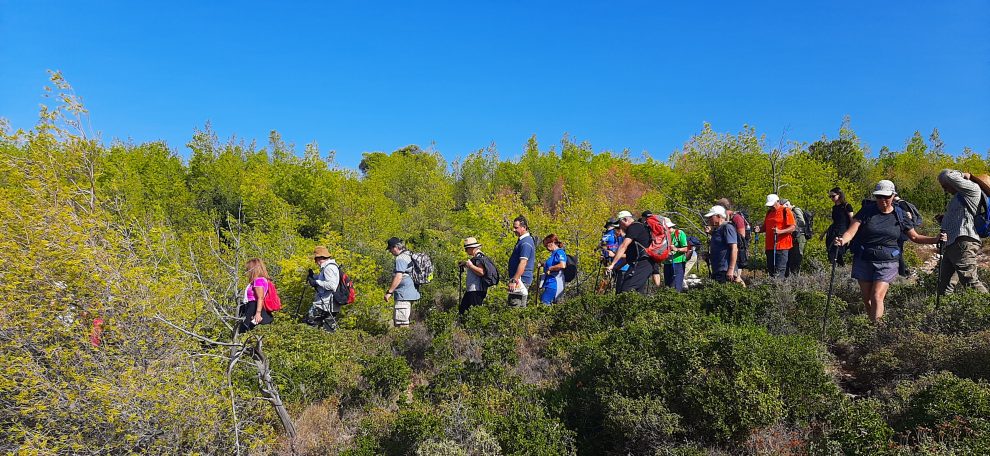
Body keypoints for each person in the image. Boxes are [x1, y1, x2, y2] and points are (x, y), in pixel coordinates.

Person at [834, 180, 943, 323]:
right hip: (864, 258)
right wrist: (843, 240)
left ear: (893, 196)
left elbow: (915, 237)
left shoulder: (900, 214)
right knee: (867, 299)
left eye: (886, 196)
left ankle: (877, 330)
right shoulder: (866, 211)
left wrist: (936, 239)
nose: (883, 200)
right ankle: (872, 323)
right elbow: (851, 231)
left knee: (877, 296)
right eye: (879, 196)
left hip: (888, 260)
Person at [936, 169, 989, 294]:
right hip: (953, 243)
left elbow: (948, 175)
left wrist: (966, 175)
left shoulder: (972, 189)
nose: (945, 189)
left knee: (969, 280)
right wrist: (945, 220)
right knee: (944, 284)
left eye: (944, 186)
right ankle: (943, 312)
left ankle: (986, 308)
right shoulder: (961, 196)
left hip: (962, 242)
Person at [606, 210, 655, 294]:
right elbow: (630, 256)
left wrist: (612, 264)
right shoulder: (636, 229)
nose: (620, 226)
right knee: (637, 293)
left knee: (626, 290)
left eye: (620, 223)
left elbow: (623, 246)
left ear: (625, 220)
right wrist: (617, 267)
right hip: (642, 264)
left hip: (642, 263)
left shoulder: (634, 227)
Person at [753, 194, 796, 279]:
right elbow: (765, 227)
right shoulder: (769, 212)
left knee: (779, 271)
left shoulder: (785, 211)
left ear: (777, 201)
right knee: (771, 270)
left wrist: (780, 231)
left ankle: (779, 290)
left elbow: (793, 227)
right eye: (769, 205)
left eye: (772, 205)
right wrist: (759, 229)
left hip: (782, 246)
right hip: (770, 246)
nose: (771, 207)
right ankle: (772, 289)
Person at [385, 237, 420, 327]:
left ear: (395, 247)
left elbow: (398, 276)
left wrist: (389, 292)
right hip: (412, 293)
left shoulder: (400, 259)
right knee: (405, 321)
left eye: (390, 249)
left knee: (402, 324)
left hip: (403, 295)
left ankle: (402, 341)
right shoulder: (409, 254)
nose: (390, 251)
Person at [306, 246, 341, 331]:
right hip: (329, 304)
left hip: (325, 304)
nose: (315, 262)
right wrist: (314, 276)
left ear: (320, 258)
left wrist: (316, 282)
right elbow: (326, 280)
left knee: (310, 322)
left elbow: (332, 285)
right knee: (328, 329)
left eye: (316, 259)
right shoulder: (329, 267)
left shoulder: (329, 268)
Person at [717, 198, 748, 283]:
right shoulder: (727, 218)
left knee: (736, 277)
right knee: (734, 278)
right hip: (729, 253)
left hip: (736, 253)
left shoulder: (737, 218)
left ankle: (744, 294)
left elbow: (742, 237)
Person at [507, 215, 536, 306]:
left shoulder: (526, 243)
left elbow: (523, 262)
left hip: (521, 280)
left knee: (515, 306)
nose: (514, 230)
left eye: (516, 228)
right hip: (520, 279)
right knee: (519, 307)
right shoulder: (524, 241)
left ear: (524, 227)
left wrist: (514, 280)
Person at [240, 257, 275, 332]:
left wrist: (258, 313)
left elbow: (260, 297)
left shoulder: (258, 280)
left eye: (248, 269)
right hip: (252, 306)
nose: (247, 271)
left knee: (244, 331)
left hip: (253, 307)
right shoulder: (261, 280)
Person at [705, 205, 738, 283]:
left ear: (719, 216)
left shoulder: (727, 227)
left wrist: (731, 269)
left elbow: (734, 248)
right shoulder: (717, 230)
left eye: (711, 217)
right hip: (717, 269)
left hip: (725, 270)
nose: (708, 219)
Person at [822, 187, 854, 266]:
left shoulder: (847, 206)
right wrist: (824, 232)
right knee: (830, 251)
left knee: (839, 252)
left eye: (833, 196)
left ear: (839, 195)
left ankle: (841, 270)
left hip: (843, 231)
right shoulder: (834, 208)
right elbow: (835, 221)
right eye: (830, 197)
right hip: (833, 231)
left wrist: (850, 235)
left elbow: (852, 221)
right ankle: (834, 269)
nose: (831, 198)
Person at [458, 237, 489, 315]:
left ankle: (475, 327)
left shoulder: (479, 257)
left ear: (472, 248)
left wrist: (470, 266)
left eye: (466, 248)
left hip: (477, 290)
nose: (465, 251)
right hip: (472, 290)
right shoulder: (476, 258)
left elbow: (481, 272)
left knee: (475, 313)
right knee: (463, 310)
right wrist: (465, 264)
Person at [539, 234, 568, 305]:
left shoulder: (559, 252)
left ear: (552, 242)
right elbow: (552, 263)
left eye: (546, 245)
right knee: (544, 301)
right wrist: (543, 264)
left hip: (554, 283)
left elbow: (562, 265)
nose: (546, 247)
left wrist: (550, 268)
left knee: (545, 301)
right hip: (549, 282)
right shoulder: (553, 254)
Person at [662, 217, 689, 292]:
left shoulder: (679, 233)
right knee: (668, 285)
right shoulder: (663, 236)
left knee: (676, 285)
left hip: (678, 262)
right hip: (667, 262)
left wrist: (676, 249)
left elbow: (686, 249)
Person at [783, 200, 807, 277]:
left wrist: (791, 225)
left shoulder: (796, 210)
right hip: (794, 237)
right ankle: (791, 276)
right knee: (791, 258)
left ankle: (796, 278)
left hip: (799, 237)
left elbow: (802, 222)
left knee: (797, 258)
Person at [642, 211, 664, 288]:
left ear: (643, 217)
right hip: (657, 248)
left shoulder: (645, 224)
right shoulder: (657, 222)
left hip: (648, 249)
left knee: (645, 268)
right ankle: (658, 288)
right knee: (655, 269)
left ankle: (643, 288)